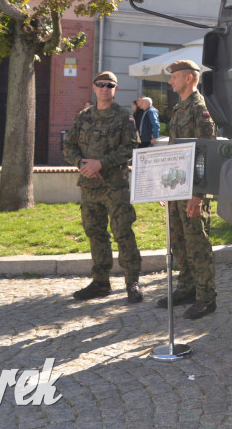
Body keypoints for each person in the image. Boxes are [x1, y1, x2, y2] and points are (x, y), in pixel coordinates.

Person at [63, 71, 144, 303]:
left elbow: (130, 147)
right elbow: (69, 146)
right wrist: (81, 163)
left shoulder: (123, 117)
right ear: (94, 87)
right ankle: (100, 282)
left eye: (110, 85)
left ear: (115, 89)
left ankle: (132, 282)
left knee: (123, 232)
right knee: (95, 233)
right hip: (89, 186)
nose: (105, 88)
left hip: (115, 187)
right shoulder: (83, 117)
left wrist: (101, 163)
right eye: (101, 84)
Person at [157, 59, 217, 320]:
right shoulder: (180, 108)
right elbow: (175, 152)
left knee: (197, 243)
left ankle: (206, 297)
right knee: (179, 242)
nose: (171, 82)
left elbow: (205, 153)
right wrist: (166, 187)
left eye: (175, 77)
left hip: (192, 190)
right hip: (177, 188)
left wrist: (198, 195)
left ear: (190, 78)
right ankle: (187, 288)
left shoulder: (200, 108)